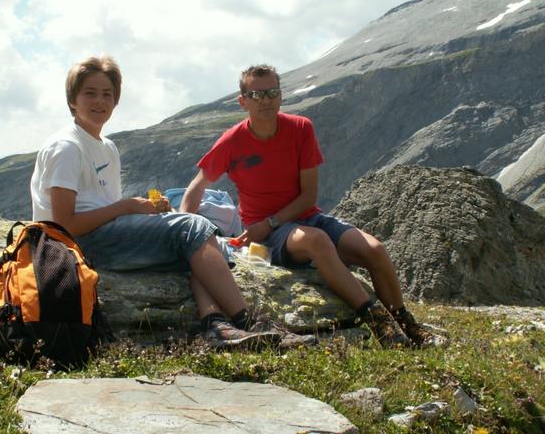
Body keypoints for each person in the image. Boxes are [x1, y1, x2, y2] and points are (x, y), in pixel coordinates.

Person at [180, 64, 447, 348]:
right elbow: (197, 186)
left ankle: (407, 326)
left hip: (300, 218)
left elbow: (308, 196)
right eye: (256, 95)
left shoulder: (300, 128)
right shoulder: (233, 141)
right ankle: (381, 325)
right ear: (243, 101)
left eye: (272, 92)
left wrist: (270, 222)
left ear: (280, 96)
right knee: (317, 241)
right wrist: (184, 229)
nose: (266, 100)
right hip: (271, 236)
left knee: (375, 250)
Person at [30, 55, 282, 349]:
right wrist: (128, 207)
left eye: (107, 94)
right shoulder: (67, 148)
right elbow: (64, 225)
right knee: (192, 228)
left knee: (194, 238)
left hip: (101, 235)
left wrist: (147, 212)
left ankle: (217, 324)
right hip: (72, 246)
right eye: (90, 93)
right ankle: (248, 322)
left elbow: (103, 209)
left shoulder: (106, 147)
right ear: (72, 100)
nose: (99, 101)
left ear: (115, 100)